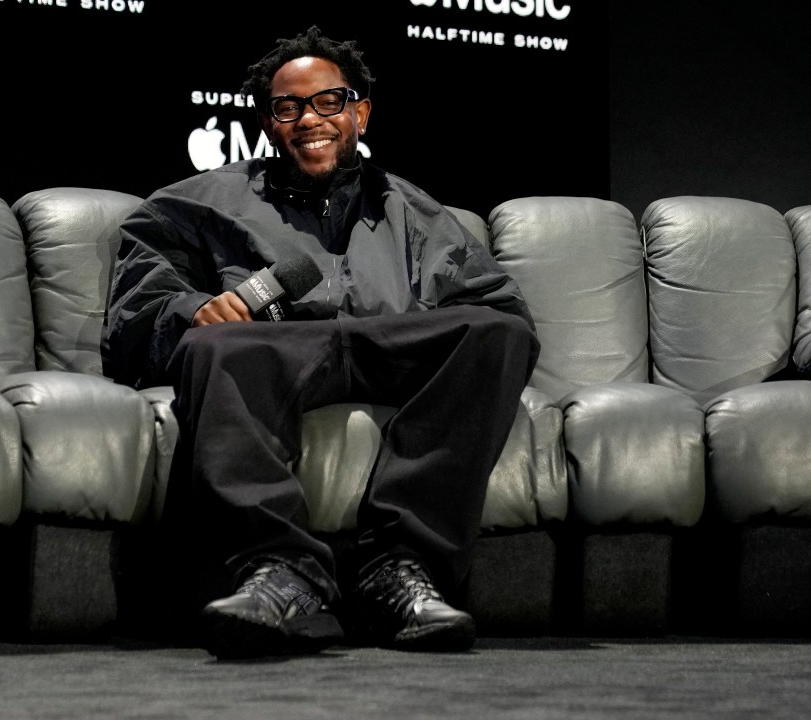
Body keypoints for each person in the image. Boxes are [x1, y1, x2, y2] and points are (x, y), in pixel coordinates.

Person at [103, 25, 539, 659]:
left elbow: (494, 304)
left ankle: (398, 569)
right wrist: (197, 308)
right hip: (278, 351)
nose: (310, 118)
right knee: (212, 346)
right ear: (269, 123)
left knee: (498, 334)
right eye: (288, 107)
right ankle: (281, 573)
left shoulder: (415, 212)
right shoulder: (199, 204)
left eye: (328, 101)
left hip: (390, 351)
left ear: (359, 111)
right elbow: (139, 298)